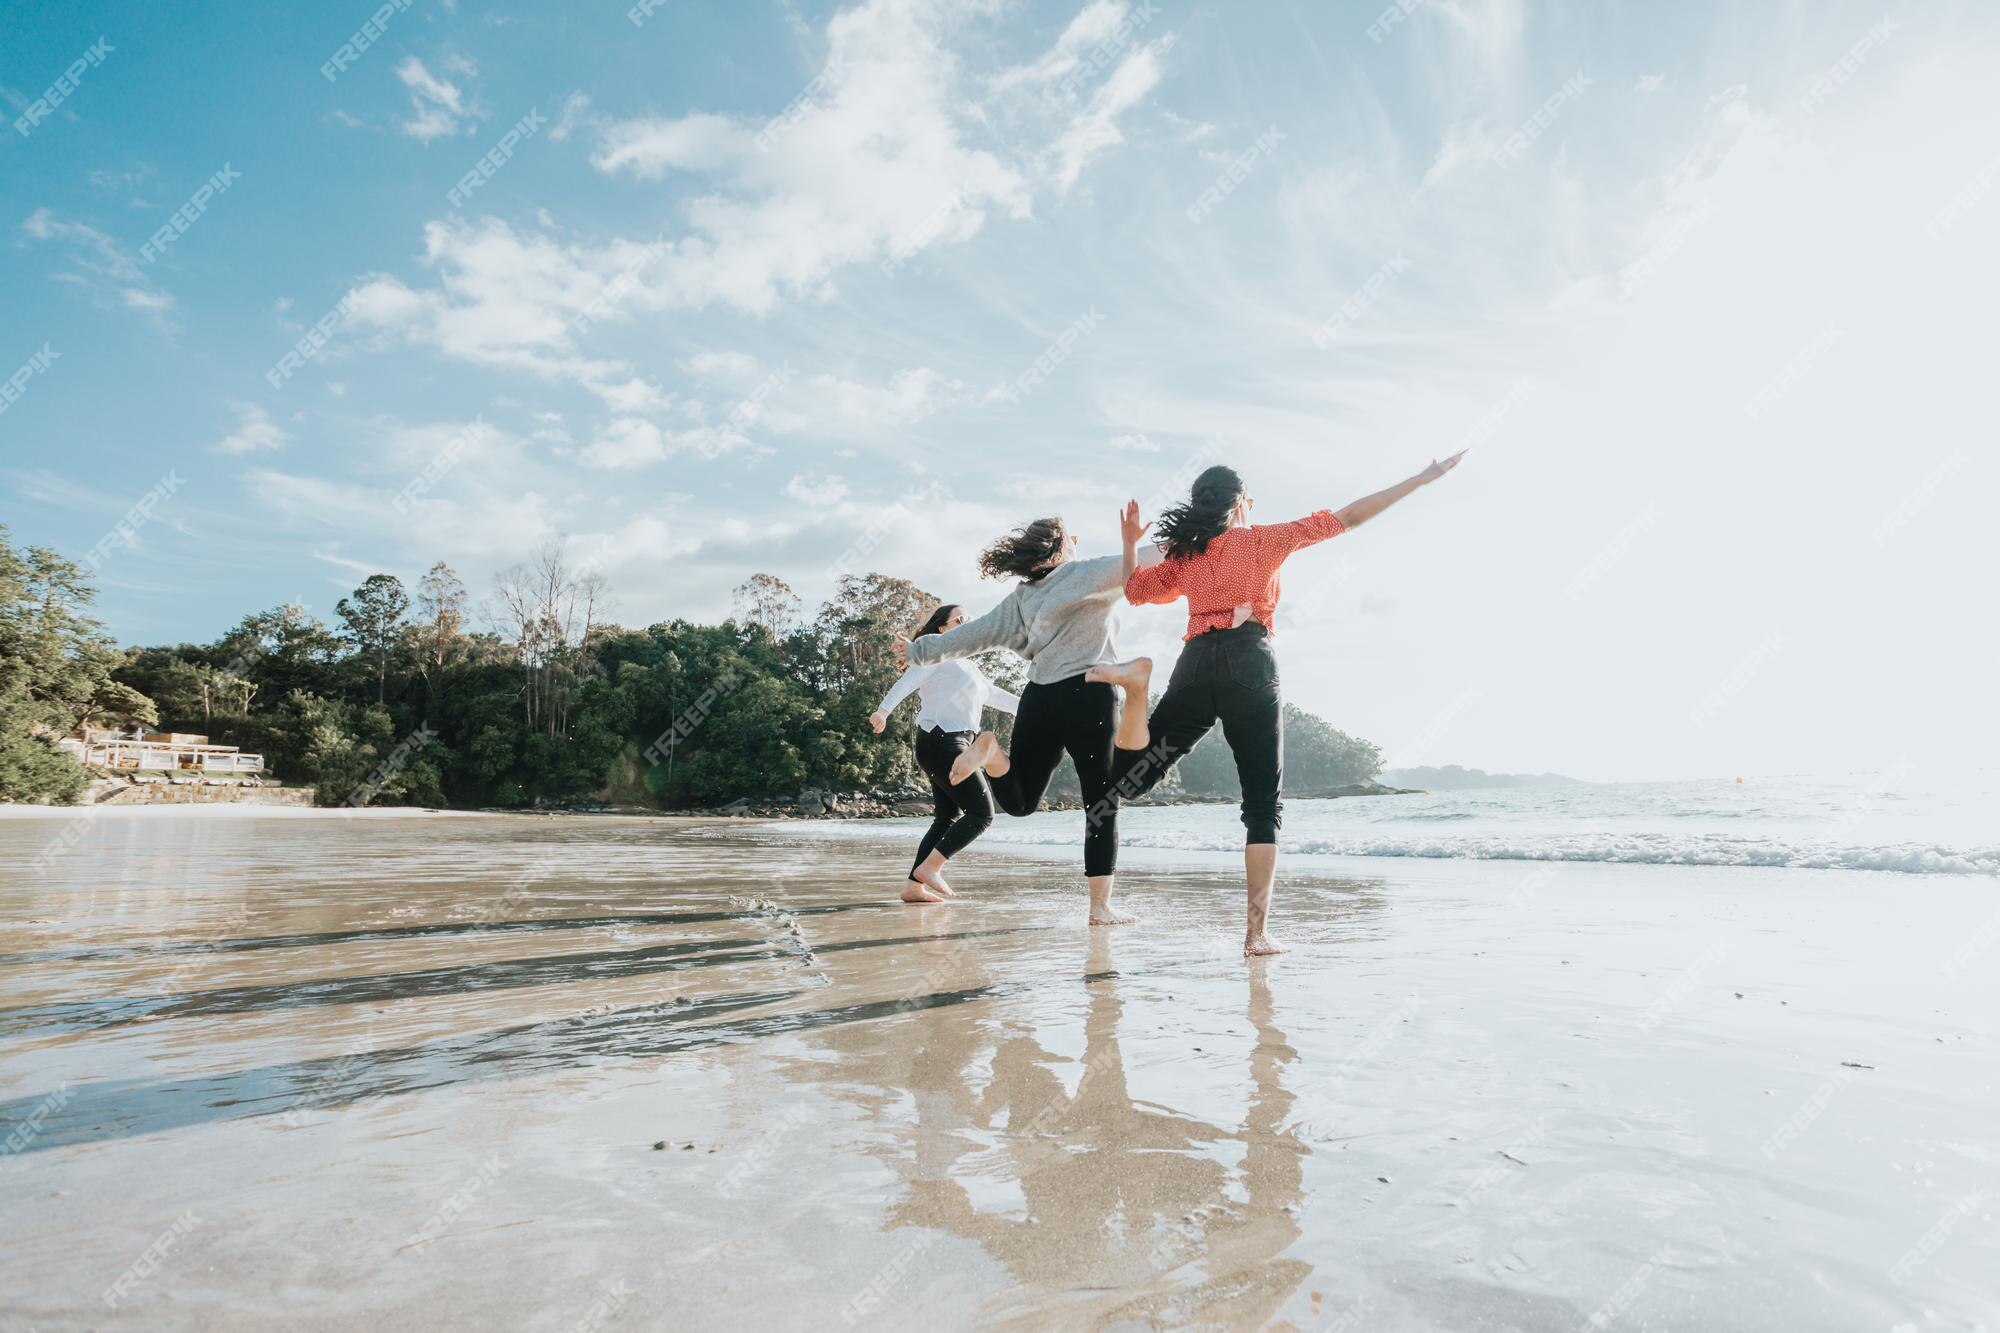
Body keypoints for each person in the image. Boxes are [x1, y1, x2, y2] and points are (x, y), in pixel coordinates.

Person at [1085, 455, 1466, 956]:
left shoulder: (1186, 553)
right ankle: (1256, 934)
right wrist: (1421, 479)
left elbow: (1134, 592)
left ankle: (1136, 687)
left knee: (1129, 782)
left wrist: (1131, 543)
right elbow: (1349, 517)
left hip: (1195, 665)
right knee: (1262, 806)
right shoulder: (1262, 539)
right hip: (1249, 664)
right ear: (1240, 503)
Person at [893, 504, 1160, 927]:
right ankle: (1099, 907)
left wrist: (919, 651)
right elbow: (1154, 556)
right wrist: (1208, 534)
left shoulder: (1021, 599)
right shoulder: (1089, 572)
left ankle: (991, 751)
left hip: (1039, 698)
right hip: (1089, 695)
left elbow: (970, 635)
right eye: (1073, 540)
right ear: (1063, 546)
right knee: (1101, 802)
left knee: (1019, 801)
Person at [871, 603, 1020, 905]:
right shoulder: (935, 655)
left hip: (954, 744)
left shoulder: (968, 665)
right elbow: (906, 682)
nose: (966, 622)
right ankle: (931, 869)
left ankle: (913, 887)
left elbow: (993, 695)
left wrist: (1037, 708)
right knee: (981, 814)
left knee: (947, 816)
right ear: (942, 628)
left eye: (969, 618)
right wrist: (883, 711)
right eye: (959, 619)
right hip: (943, 742)